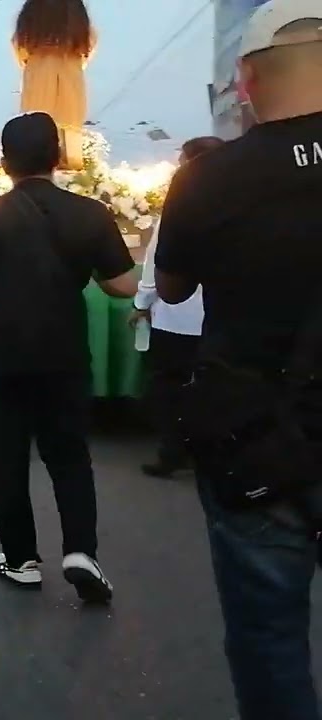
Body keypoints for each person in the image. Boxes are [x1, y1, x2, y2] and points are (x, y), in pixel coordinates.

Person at [152, 2, 322, 717]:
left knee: (269, 636)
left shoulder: (210, 179)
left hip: (260, 442)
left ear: (245, 80)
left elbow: (171, 286)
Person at [0, 111, 136, 603]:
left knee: (5, 458)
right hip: (64, 354)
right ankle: (80, 552)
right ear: (59, 158)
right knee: (68, 454)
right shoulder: (91, 214)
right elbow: (122, 286)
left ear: (4, 163)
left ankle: (21, 559)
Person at [130, 136, 225, 479]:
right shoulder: (240, 201)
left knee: (169, 387)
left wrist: (142, 302)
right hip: (222, 317)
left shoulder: (181, 202)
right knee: (216, 387)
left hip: (177, 317)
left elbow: (158, 259)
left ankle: (174, 450)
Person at [12, 0, 96, 170]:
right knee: (69, 131)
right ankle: (71, 177)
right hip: (71, 76)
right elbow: (89, 43)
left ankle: (37, 175)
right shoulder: (75, 9)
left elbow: (19, 46)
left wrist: (34, 59)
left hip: (37, 77)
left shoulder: (32, 9)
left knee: (36, 129)